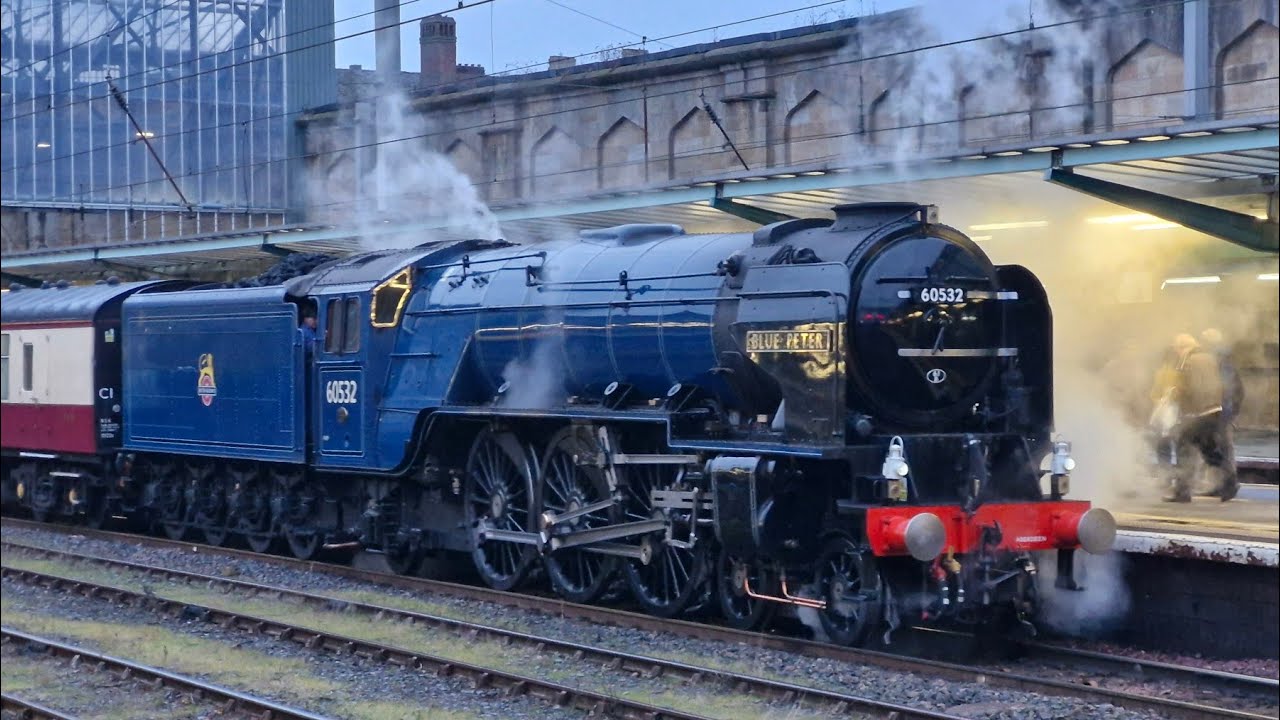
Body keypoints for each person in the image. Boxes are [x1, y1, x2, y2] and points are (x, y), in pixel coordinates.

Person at [1162, 333, 1235, 503]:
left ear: (1182, 347)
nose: (1176, 352)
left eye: (1176, 349)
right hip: (1214, 409)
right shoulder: (1209, 358)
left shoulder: (1189, 361)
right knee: (1207, 448)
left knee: (1183, 442)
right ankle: (1229, 482)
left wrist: (1177, 398)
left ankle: (1183, 491)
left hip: (1200, 411)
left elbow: (1190, 387)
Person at [1198, 328, 1242, 500]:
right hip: (1220, 410)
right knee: (1213, 446)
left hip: (1219, 410)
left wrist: (1227, 409)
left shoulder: (1218, 360)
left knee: (1222, 448)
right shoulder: (1221, 359)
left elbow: (1226, 387)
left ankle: (1228, 484)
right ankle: (1219, 484)